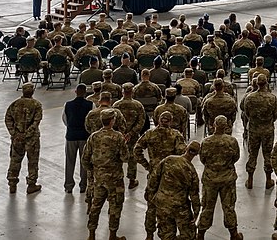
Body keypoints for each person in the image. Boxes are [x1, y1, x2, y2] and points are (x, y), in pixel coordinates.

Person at [134, 112, 187, 240]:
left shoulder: (149, 134)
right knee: (170, 204)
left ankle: (149, 235)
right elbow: (183, 153)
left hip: (154, 174)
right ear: (170, 121)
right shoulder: (176, 135)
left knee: (151, 206)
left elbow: (137, 150)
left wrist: (147, 165)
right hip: (171, 175)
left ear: (158, 120)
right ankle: (168, 232)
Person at [198, 115, 244, 240]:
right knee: (229, 207)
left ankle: (200, 234)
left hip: (210, 179)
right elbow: (236, 157)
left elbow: (202, 159)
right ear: (226, 126)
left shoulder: (206, 142)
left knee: (207, 206)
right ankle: (234, 234)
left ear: (214, 125)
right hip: (227, 179)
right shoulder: (232, 141)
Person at [84, 109, 128, 240]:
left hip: (99, 178)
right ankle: (112, 235)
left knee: (95, 206)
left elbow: (85, 158)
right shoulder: (118, 136)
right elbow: (125, 158)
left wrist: (93, 171)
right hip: (115, 179)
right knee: (115, 207)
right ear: (112, 121)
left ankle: (91, 235)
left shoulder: (94, 136)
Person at [147, 140, 201, 240]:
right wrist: (196, 211)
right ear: (197, 154)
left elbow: (154, 178)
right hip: (179, 206)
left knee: (166, 234)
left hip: (162, 203)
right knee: (189, 234)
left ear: (186, 148)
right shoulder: (191, 171)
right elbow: (194, 195)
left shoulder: (169, 159)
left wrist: (151, 195)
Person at [241, 75, 277, 190]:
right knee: (268, 154)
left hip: (253, 129)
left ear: (256, 84)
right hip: (267, 129)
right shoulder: (272, 98)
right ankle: (268, 180)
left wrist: (254, 121)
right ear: (266, 83)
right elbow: (275, 115)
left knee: (252, 154)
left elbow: (246, 113)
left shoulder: (249, 97)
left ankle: (250, 179)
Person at [6, 82, 43, 195]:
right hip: (31, 139)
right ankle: (31, 184)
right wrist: (27, 134)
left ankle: (12, 183)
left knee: (15, 160)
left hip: (17, 138)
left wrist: (14, 133)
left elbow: (8, 119)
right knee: (32, 161)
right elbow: (36, 122)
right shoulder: (36, 105)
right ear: (32, 91)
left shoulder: (15, 104)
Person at [63, 83, 92, 194]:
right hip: (84, 136)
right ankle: (83, 185)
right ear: (85, 93)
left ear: (75, 92)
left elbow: (65, 119)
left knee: (69, 161)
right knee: (84, 161)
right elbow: (91, 120)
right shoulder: (90, 105)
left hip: (71, 136)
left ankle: (68, 185)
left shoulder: (68, 105)